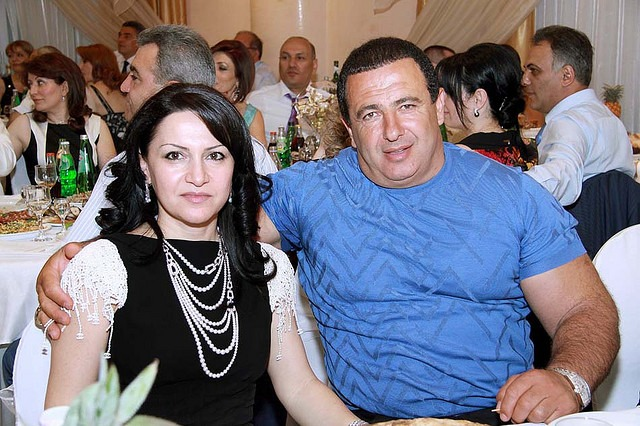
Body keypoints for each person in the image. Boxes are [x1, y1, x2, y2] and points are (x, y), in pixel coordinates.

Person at [38, 36, 620, 424]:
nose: (392, 131)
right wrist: (91, 258)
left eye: (407, 105)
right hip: (359, 417)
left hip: (493, 416)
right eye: (370, 114)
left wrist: (567, 378)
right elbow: (202, 212)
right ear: (346, 124)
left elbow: (585, 309)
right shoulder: (310, 191)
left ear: (440, 105)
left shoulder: (512, 195)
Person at [42, 83, 364, 426]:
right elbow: (64, 414)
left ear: (235, 167)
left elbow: (299, 388)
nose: (198, 176)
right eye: (175, 155)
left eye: (215, 155)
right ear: (145, 165)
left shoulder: (267, 268)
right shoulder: (102, 269)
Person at [64, 24, 276, 243]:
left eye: (135, 77)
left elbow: (270, 239)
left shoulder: (251, 155)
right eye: (174, 156)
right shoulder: (123, 164)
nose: (124, 87)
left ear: (170, 91)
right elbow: (73, 252)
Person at [522, 25, 634, 206]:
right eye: (525, 70)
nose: (525, 80)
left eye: (534, 70)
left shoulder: (568, 122)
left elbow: (562, 176)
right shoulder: (611, 120)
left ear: (566, 75)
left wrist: (509, 183)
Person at [5, 52, 116, 185]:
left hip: (89, 199)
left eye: (40, 83)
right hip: (43, 199)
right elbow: (2, 161)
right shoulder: (25, 125)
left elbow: (111, 179)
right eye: (30, 84)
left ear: (64, 88)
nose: (32, 92)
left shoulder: (95, 125)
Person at [437, 43, 537, 170]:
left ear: (478, 99)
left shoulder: (462, 157)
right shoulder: (522, 145)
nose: (441, 99)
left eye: (449, 92)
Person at [246, 36, 327, 141]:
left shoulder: (327, 103)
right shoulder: (256, 100)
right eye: (285, 57)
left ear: (314, 64)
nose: (291, 64)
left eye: (300, 58)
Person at [211, 39, 268, 147]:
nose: (213, 73)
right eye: (210, 67)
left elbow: (259, 157)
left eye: (222, 68)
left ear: (239, 78)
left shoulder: (250, 115)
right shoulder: (196, 107)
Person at [77, 43, 127, 152]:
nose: (80, 66)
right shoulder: (123, 88)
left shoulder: (89, 91)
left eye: (84, 61)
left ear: (97, 63)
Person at [1, 40, 33, 114]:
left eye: (19, 55)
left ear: (30, 57)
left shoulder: (37, 82)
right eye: (10, 56)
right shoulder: (2, 83)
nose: (14, 59)